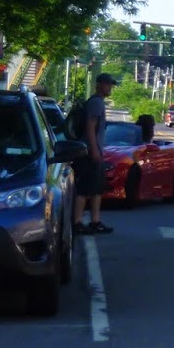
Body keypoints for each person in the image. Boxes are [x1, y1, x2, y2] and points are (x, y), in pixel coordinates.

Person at [72, 73, 116, 236]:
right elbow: (90, 127)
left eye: (110, 84)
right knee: (84, 189)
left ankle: (95, 221)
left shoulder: (98, 102)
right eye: (107, 84)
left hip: (94, 151)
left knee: (97, 188)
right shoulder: (96, 103)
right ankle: (77, 222)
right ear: (99, 85)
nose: (110, 87)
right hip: (89, 152)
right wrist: (94, 150)